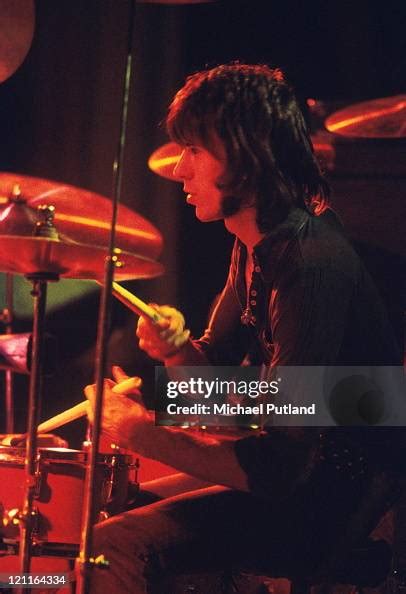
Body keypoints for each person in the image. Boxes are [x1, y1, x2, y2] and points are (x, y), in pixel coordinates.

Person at [84, 63, 403, 593]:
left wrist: (141, 432)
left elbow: (281, 465)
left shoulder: (312, 266)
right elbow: (219, 381)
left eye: (195, 152)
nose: (179, 170)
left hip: (347, 494)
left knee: (110, 543)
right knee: (128, 499)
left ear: (247, 157)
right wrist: (178, 353)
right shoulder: (257, 242)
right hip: (308, 470)